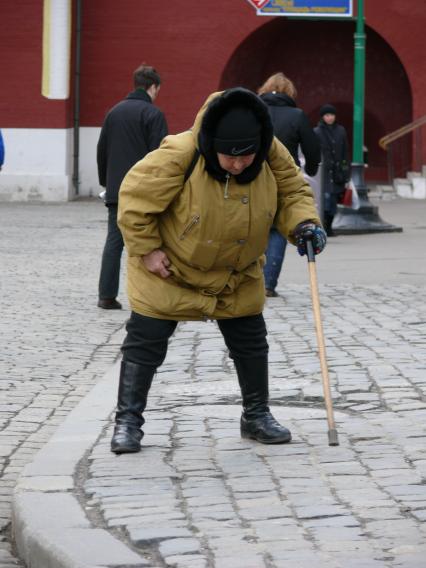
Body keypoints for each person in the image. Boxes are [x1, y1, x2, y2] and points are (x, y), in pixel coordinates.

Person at [110, 87, 326, 455]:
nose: (239, 165)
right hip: (170, 270)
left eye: (247, 157)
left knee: (251, 343)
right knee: (145, 344)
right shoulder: (181, 153)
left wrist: (304, 224)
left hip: (235, 272)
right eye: (230, 157)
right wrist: (146, 251)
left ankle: (256, 415)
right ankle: (128, 422)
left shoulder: (271, 152)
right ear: (213, 144)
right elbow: (134, 200)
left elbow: (292, 193)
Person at [96, 64, 168, 309]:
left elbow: (102, 150)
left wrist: (107, 182)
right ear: (153, 87)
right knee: (148, 241)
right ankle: (148, 297)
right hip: (144, 192)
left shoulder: (114, 112)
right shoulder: (153, 115)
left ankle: (106, 296)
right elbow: (161, 156)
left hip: (117, 190)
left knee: (114, 242)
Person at [258, 73, 321, 297]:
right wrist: (312, 168)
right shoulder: (296, 115)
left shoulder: (255, 112)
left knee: (252, 227)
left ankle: (250, 280)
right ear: (290, 93)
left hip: (252, 178)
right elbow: (313, 147)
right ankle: (268, 283)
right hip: (283, 179)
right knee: (277, 231)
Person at [314, 104, 350, 236]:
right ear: (323, 117)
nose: (329, 118)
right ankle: (323, 227)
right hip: (323, 173)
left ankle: (329, 227)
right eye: (327, 115)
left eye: (332, 115)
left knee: (333, 202)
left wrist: (346, 171)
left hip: (337, 172)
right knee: (325, 201)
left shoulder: (341, 131)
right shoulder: (317, 132)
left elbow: (345, 152)